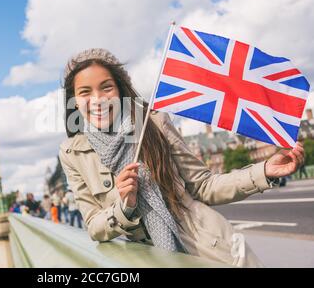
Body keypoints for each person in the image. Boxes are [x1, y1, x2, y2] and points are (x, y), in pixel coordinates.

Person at [58, 48, 305, 268]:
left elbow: (203, 186)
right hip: (149, 258)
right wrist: (125, 206)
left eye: (106, 87)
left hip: (210, 246)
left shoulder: (155, 123)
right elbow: (93, 226)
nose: (98, 99)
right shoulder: (71, 153)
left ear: (120, 89)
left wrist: (264, 172)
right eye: (85, 92)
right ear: (74, 101)